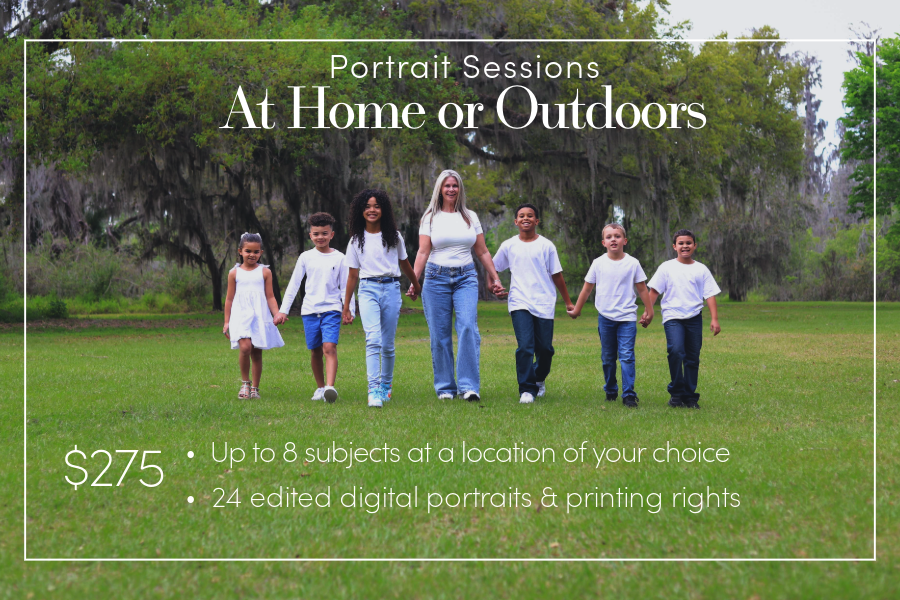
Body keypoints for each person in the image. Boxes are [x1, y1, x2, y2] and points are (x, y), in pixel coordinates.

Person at [408, 169, 506, 401]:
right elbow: (423, 252)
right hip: (435, 278)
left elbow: (482, 251)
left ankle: (468, 387)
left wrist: (495, 278)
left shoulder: (470, 216)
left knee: (468, 327)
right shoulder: (430, 217)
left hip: (466, 277)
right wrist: (414, 281)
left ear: (460, 188)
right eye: (447, 186)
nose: (451, 189)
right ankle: (445, 388)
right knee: (439, 334)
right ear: (440, 189)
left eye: (455, 185)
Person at [342, 189, 422, 408]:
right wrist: (346, 306)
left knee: (387, 344)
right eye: (367, 206)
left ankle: (386, 386)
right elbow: (352, 275)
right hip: (367, 289)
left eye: (376, 206)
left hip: (391, 289)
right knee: (373, 339)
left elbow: (405, 264)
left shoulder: (394, 237)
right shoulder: (355, 241)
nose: (372, 210)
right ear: (361, 211)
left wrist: (416, 285)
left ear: (383, 210)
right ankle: (374, 389)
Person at [492, 203, 574, 404]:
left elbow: (557, 275)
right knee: (525, 347)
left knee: (545, 350)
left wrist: (568, 302)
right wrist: (494, 286)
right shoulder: (509, 245)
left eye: (530, 215)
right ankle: (527, 390)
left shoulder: (546, 246)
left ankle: (538, 377)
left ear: (537, 221)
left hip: (544, 302)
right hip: (519, 301)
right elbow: (492, 268)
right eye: (521, 216)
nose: (525, 218)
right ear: (516, 221)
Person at [567, 223, 653, 408]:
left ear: (625, 241)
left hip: (627, 317)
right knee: (608, 357)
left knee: (627, 356)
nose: (613, 239)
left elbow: (642, 288)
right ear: (603, 242)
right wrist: (577, 310)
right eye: (609, 237)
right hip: (605, 317)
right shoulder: (598, 263)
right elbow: (587, 288)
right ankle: (611, 389)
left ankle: (629, 394)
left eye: (617, 236)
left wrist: (649, 310)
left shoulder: (633, 263)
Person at [274, 212, 353, 403]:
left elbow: (346, 286)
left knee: (329, 347)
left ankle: (330, 388)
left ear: (332, 235)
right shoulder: (305, 257)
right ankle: (320, 388)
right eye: (316, 234)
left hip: (332, 309)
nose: (320, 237)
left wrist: (349, 309)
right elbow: (294, 284)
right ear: (310, 235)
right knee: (316, 350)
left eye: (324, 233)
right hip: (309, 311)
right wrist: (283, 310)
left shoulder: (340, 258)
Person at [645, 228, 721, 409]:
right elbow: (654, 291)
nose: (685, 246)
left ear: (694, 246)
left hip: (694, 317)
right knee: (676, 351)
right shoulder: (666, 267)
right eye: (681, 243)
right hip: (672, 317)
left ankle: (690, 397)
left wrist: (714, 319)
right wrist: (648, 312)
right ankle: (676, 393)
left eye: (688, 243)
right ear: (674, 246)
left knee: (692, 357)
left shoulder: (701, 269)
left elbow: (709, 295)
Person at [223, 232, 285, 400]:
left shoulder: (265, 272)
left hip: (259, 315)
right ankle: (245, 383)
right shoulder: (234, 273)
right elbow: (229, 299)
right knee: (245, 348)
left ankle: (255, 388)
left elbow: (270, 296)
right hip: (240, 315)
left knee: (256, 352)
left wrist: (277, 313)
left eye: (256, 252)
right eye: (248, 251)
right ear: (240, 251)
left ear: (261, 252)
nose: (252, 255)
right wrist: (227, 322)